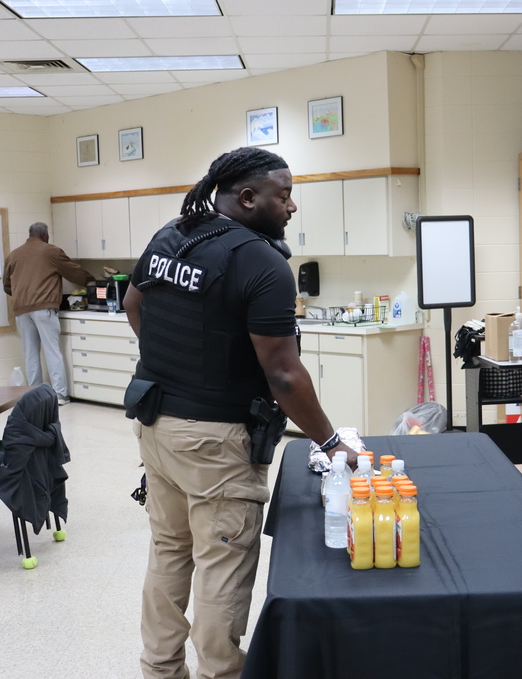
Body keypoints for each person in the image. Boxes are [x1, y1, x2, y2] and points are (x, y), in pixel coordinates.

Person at [123, 147, 354, 679]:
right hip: (215, 443)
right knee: (222, 565)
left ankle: (159, 668)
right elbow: (284, 374)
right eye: (284, 193)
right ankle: (221, 673)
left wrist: (175, 369)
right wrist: (327, 441)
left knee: (169, 550)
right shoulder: (261, 262)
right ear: (248, 197)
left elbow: (134, 305)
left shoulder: (172, 234)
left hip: (156, 427)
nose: (292, 205)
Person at [4, 222, 94, 405]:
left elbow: (6, 284)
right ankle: (60, 394)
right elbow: (73, 272)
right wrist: (92, 282)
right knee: (52, 352)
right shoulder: (51, 251)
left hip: (22, 310)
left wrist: (23, 296)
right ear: (44, 235)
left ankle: (34, 395)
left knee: (30, 353)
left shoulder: (14, 255)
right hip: (44, 308)